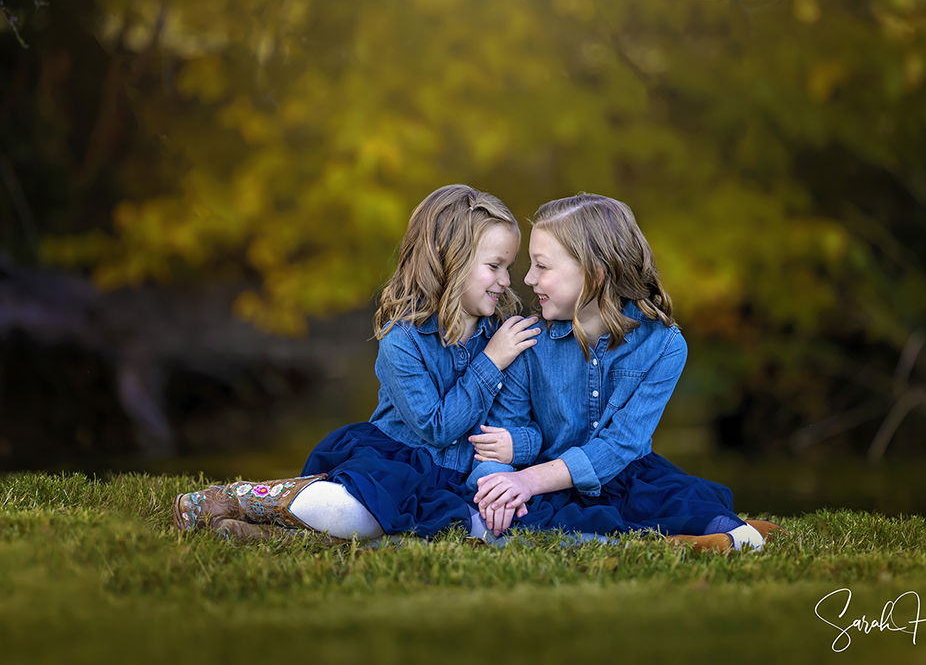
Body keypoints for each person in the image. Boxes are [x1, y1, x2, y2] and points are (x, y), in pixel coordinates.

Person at [172, 184, 540, 541]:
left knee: (430, 530)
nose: (507, 281)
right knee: (354, 513)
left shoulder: (503, 336)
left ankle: (267, 536)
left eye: (508, 267)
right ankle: (233, 499)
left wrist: (516, 448)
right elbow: (436, 427)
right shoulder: (403, 339)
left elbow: (527, 424)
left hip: (460, 478)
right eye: (495, 266)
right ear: (448, 257)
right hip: (396, 465)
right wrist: (491, 362)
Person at [470, 193, 780, 551]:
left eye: (542, 266)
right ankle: (680, 543)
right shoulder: (527, 341)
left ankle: (728, 536)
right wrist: (500, 487)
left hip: (626, 475)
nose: (527, 278)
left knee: (678, 503)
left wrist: (527, 481)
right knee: (521, 522)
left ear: (595, 273)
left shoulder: (664, 345)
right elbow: (501, 436)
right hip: (546, 481)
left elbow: (622, 444)